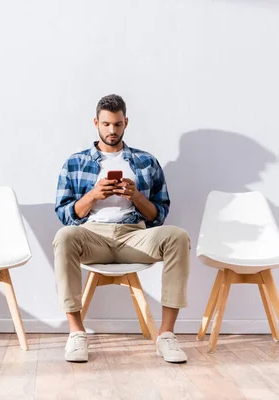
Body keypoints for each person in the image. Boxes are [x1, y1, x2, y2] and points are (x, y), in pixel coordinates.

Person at [53, 94, 190, 363]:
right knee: (65, 236)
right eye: (106, 124)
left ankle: (166, 335)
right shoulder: (75, 162)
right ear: (96, 123)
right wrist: (93, 195)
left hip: (134, 235)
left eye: (117, 124)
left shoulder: (145, 161)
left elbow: (158, 215)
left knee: (178, 236)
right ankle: (76, 334)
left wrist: (136, 196)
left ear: (125, 122)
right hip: (93, 236)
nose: (112, 131)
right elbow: (65, 215)